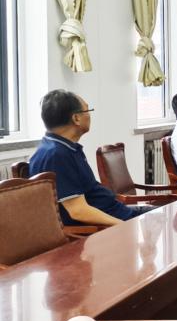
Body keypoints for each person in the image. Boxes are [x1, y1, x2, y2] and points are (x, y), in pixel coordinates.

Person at [28, 89, 153, 226]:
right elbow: (78, 211)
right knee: (163, 218)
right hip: (108, 224)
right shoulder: (57, 155)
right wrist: (124, 226)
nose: (89, 115)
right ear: (76, 118)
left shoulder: (63, 147)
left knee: (164, 213)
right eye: (87, 110)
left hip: (116, 211)